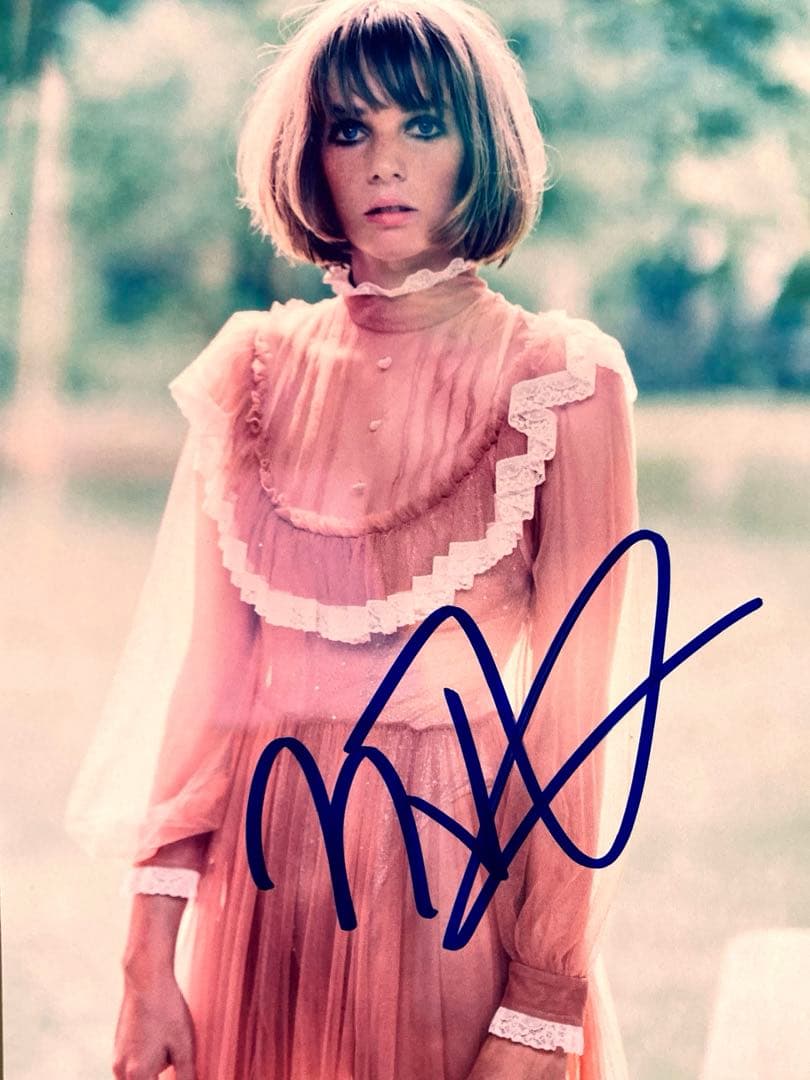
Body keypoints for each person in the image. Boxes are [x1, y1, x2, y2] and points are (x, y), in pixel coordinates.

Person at [66, 1, 641, 1077]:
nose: (385, 163)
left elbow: (581, 720)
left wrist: (543, 1001)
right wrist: (147, 962)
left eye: (423, 125)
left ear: (481, 143)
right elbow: (207, 691)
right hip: (259, 889)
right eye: (349, 129)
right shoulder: (252, 371)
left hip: (453, 887)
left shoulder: (562, 382)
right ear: (310, 155)